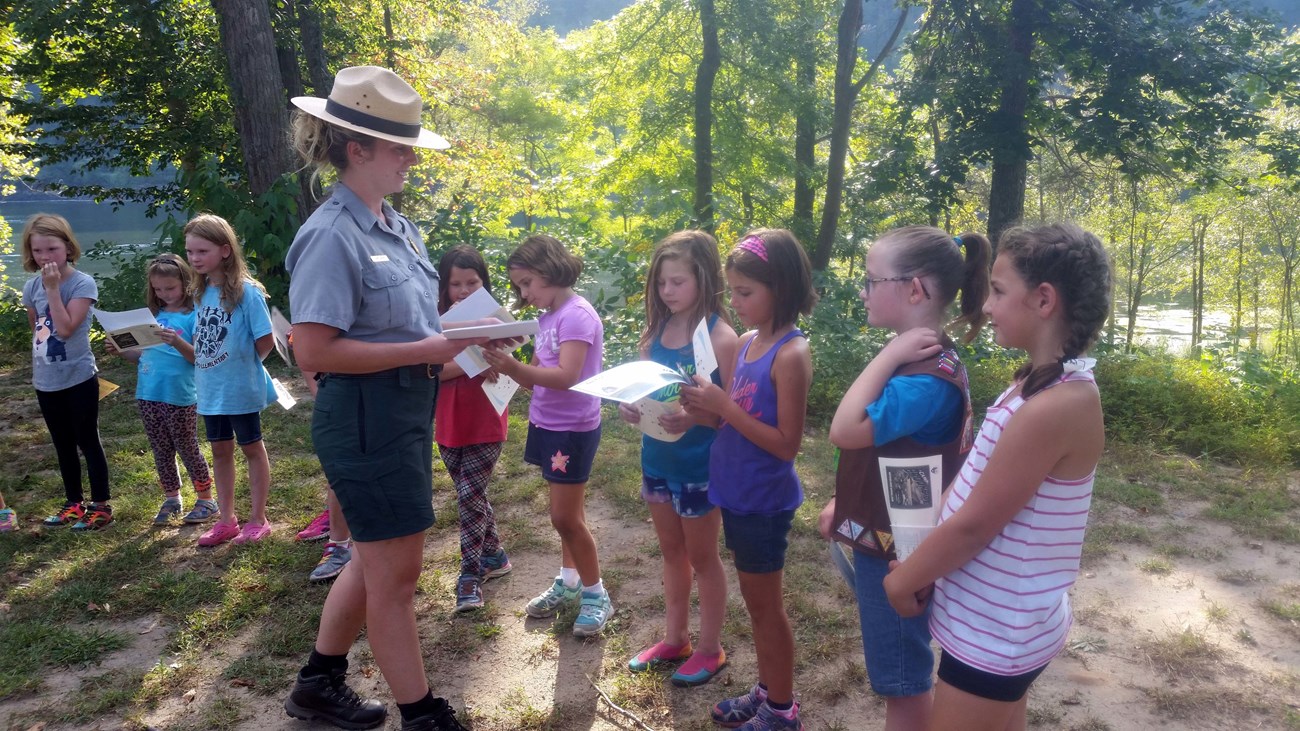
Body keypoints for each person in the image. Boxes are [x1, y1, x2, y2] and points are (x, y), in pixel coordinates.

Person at [282, 65, 486, 731]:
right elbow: (313, 353)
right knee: (395, 579)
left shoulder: (394, 225)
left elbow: (409, 325)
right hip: (365, 417)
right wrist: (422, 351)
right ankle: (424, 715)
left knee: (375, 561)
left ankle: (318, 682)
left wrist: (461, 336)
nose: (408, 159)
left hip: (401, 413)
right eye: (397, 147)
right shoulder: (330, 233)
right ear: (354, 146)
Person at [884, 223, 1111, 731]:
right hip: (994, 622)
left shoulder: (1058, 404)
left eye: (999, 291)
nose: (985, 305)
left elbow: (974, 527)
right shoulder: (1035, 384)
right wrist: (922, 549)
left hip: (998, 633)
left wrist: (905, 579)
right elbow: (976, 485)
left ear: (1044, 299)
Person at [816, 227, 990, 731]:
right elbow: (897, 456)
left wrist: (886, 355)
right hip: (899, 536)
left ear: (914, 290)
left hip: (898, 555)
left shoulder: (917, 378)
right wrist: (843, 503)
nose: (863, 292)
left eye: (872, 281)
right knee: (903, 671)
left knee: (903, 681)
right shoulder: (929, 361)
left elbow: (845, 430)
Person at [679, 229, 817, 731]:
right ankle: (767, 689)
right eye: (731, 292)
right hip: (734, 491)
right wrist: (689, 414)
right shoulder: (744, 343)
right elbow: (724, 419)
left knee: (765, 609)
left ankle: (782, 710)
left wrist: (723, 407)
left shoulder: (791, 355)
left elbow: (785, 444)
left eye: (744, 293)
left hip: (764, 499)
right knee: (756, 605)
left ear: (779, 288)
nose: (734, 303)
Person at [620, 231, 737, 686]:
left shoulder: (721, 338)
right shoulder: (654, 333)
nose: (667, 292)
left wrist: (695, 421)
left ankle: (710, 649)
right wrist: (632, 407)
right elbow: (649, 397)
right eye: (661, 283)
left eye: (677, 282)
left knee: (703, 557)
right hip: (657, 461)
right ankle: (676, 638)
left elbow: (730, 416)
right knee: (672, 552)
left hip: (699, 468)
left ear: (705, 280)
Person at [481, 234, 612, 637]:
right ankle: (569, 581)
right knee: (569, 515)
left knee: (564, 517)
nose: (524, 293)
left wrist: (515, 368)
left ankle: (596, 596)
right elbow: (537, 378)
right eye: (519, 286)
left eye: (527, 283)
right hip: (547, 423)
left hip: (572, 430)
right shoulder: (549, 316)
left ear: (550, 271)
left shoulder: (577, 315)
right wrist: (504, 368)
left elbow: (567, 377)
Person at [186, 213, 277, 547]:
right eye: (190, 252)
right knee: (220, 451)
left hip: (239, 388)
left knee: (252, 448)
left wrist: (242, 367)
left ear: (225, 250)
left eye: (202, 251)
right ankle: (226, 520)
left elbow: (265, 340)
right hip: (210, 390)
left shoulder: (246, 293)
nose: (194, 259)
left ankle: (258, 519)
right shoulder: (200, 292)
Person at [106, 253, 216, 526]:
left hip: (179, 395)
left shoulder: (194, 316)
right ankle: (172, 497)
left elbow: (197, 358)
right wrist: (121, 351)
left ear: (186, 284)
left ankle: (206, 499)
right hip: (148, 393)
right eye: (158, 289)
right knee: (161, 448)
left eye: (170, 288)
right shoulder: (153, 317)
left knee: (187, 447)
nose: (165, 294)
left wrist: (175, 342)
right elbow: (141, 356)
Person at [21, 214, 113, 531]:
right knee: (61, 443)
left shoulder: (81, 283)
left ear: (68, 247)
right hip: (46, 380)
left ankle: (100, 505)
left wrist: (52, 290)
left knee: (87, 439)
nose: (46, 257)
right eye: (38, 251)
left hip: (79, 376)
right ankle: (73, 502)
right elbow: (38, 331)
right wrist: (43, 289)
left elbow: (65, 328)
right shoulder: (31, 286)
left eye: (52, 249)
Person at [435, 245, 513, 613]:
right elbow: (432, 371)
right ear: (444, 286)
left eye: (472, 282)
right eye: (456, 284)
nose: (464, 291)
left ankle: (470, 574)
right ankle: (495, 556)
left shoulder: (496, 320)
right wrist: (472, 361)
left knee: (469, 494)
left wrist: (469, 360)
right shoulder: (434, 323)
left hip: (486, 419)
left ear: (484, 283)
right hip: (448, 423)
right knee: (472, 494)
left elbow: (505, 362)